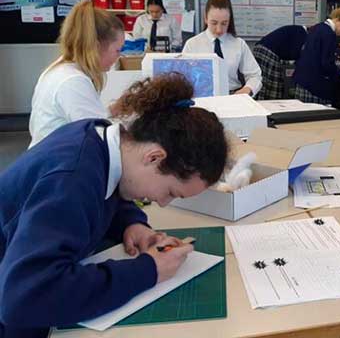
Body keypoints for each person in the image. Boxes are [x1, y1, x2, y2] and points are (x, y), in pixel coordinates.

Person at [0, 73, 228, 338]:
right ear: (154, 157)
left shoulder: (100, 138)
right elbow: (23, 298)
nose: (164, 204)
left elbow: (106, 186)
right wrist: (148, 270)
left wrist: (131, 222)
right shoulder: (71, 180)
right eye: (170, 192)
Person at [29, 0, 124, 148]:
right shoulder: (73, 81)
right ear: (96, 47)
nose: (118, 57)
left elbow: (85, 118)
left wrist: (113, 110)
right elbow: (101, 138)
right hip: (57, 161)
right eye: (117, 50)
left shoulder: (60, 69)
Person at [183, 0, 262, 96]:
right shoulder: (192, 44)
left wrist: (247, 89)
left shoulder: (238, 44)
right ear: (205, 18)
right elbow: (183, 76)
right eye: (214, 23)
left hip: (232, 97)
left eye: (224, 23)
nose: (219, 29)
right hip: (202, 98)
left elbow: (255, 75)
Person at [293, 7, 340, 105]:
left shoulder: (319, 27)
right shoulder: (329, 34)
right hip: (315, 85)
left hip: (303, 81)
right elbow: (327, 64)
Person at [253, 25, 308, 100]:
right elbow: (294, 53)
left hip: (260, 50)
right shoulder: (302, 34)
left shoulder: (297, 29)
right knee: (272, 84)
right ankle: (271, 105)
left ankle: (261, 102)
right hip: (268, 52)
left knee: (264, 83)